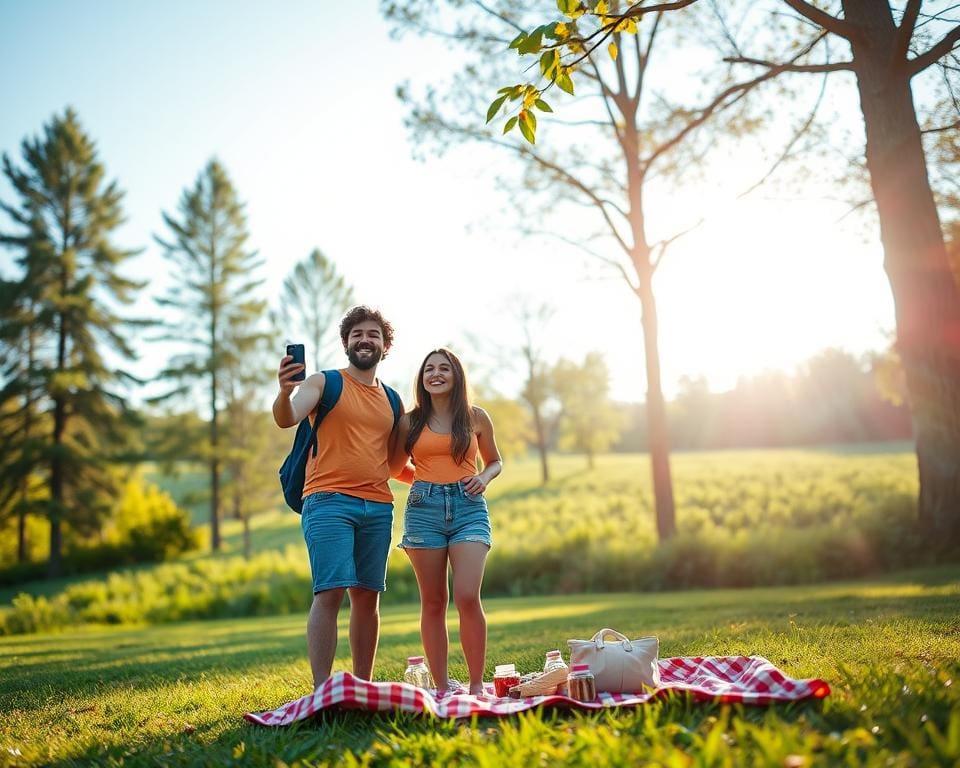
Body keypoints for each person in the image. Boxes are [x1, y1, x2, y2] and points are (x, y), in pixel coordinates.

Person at [273, 305, 408, 689]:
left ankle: (362, 687)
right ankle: (321, 689)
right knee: (329, 591)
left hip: (379, 507)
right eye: (357, 334)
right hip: (328, 501)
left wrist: (449, 479)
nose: (365, 339)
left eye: (373, 335)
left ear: (385, 347)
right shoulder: (322, 382)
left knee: (367, 598)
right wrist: (285, 392)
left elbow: (395, 465)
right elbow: (286, 417)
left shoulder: (394, 401)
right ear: (346, 343)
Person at [392, 347, 502, 696]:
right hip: (424, 510)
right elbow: (395, 467)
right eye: (429, 369)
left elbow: (495, 461)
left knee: (468, 596)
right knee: (434, 601)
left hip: (469, 507)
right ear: (422, 378)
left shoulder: (476, 417)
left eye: (444, 368)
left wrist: (483, 478)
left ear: (456, 376)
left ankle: (474, 685)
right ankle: (441, 687)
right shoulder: (410, 421)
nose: (435, 374)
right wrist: (427, 483)